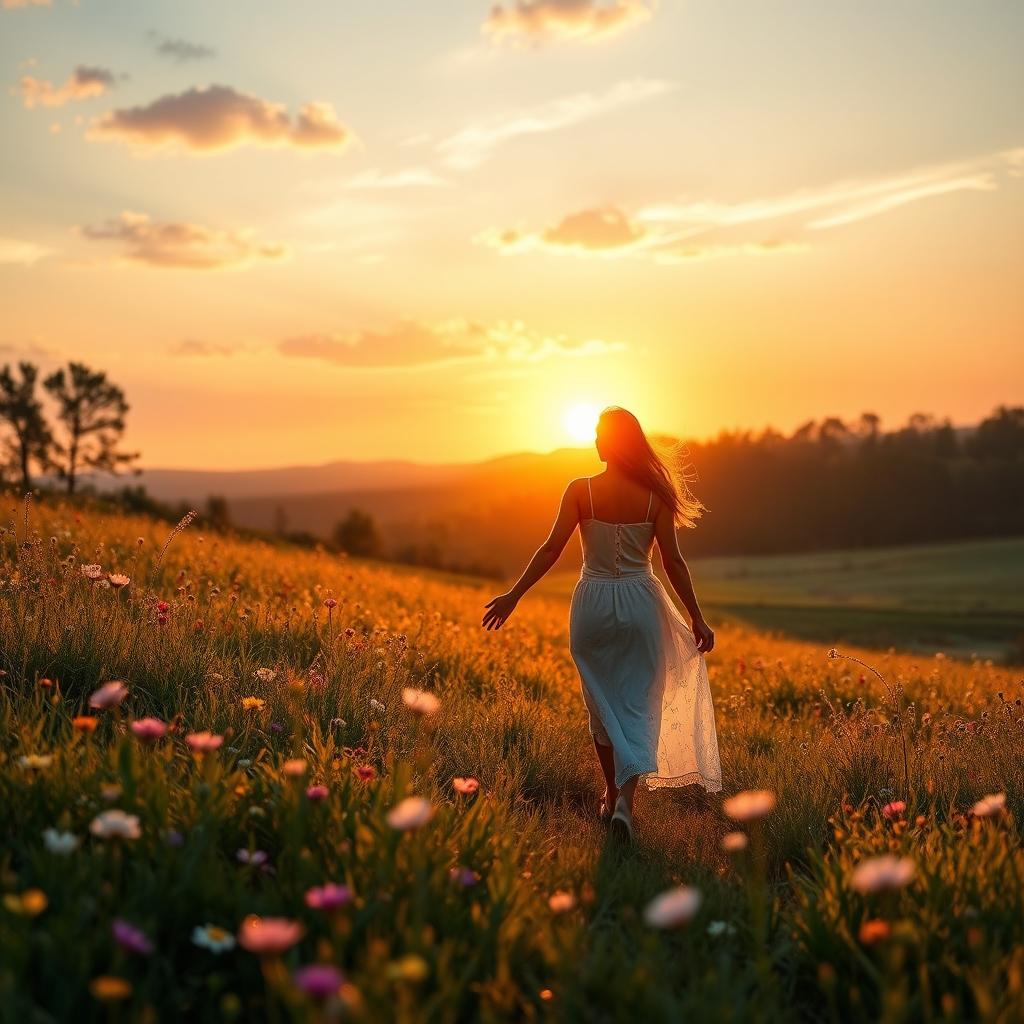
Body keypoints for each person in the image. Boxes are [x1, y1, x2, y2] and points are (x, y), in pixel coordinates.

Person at [481, 406, 722, 843]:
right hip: (641, 603)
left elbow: (550, 550)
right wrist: (697, 617)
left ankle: (611, 795)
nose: (593, 439)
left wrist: (514, 595)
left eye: (598, 433)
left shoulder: (580, 490)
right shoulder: (656, 497)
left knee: (601, 705)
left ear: (614, 444)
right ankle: (625, 804)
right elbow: (673, 562)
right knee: (639, 704)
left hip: (591, 604)